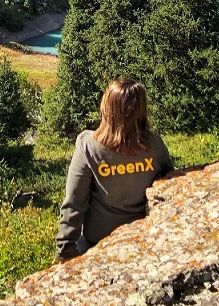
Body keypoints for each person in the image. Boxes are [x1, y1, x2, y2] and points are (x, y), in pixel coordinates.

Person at [55, 77, 173, 262]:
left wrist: (65, 248)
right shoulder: (154, 145)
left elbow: (74, 201)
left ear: (107, 108)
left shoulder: (89, 146)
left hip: (97, 242)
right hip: (141, 239)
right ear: (141, 110)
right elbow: (171, 186)